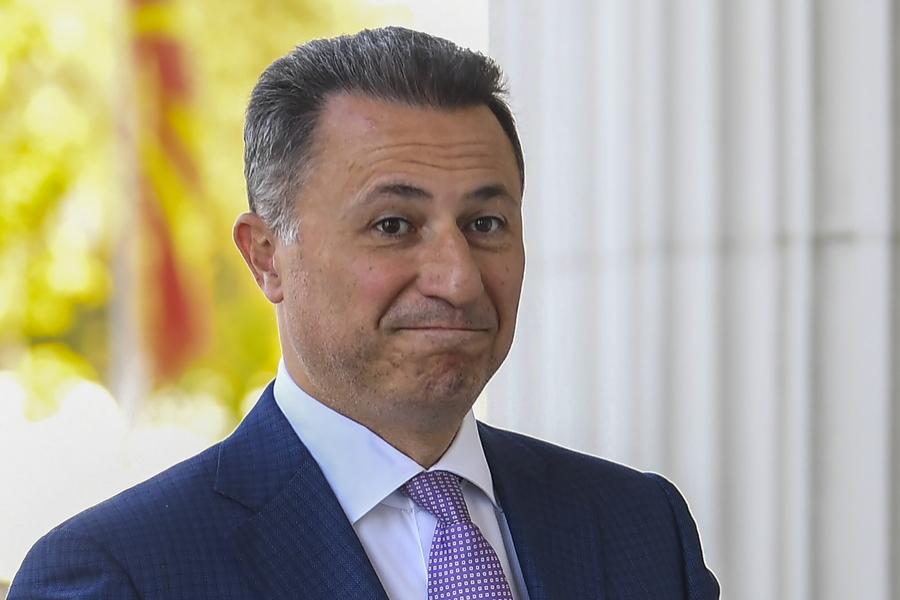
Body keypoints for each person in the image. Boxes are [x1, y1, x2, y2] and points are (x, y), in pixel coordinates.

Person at [9, 27, 719, 599]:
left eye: (486, 224)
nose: (458, 279)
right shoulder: (122, 575)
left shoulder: (638, 528)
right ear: (266, 256)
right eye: (393, 225)